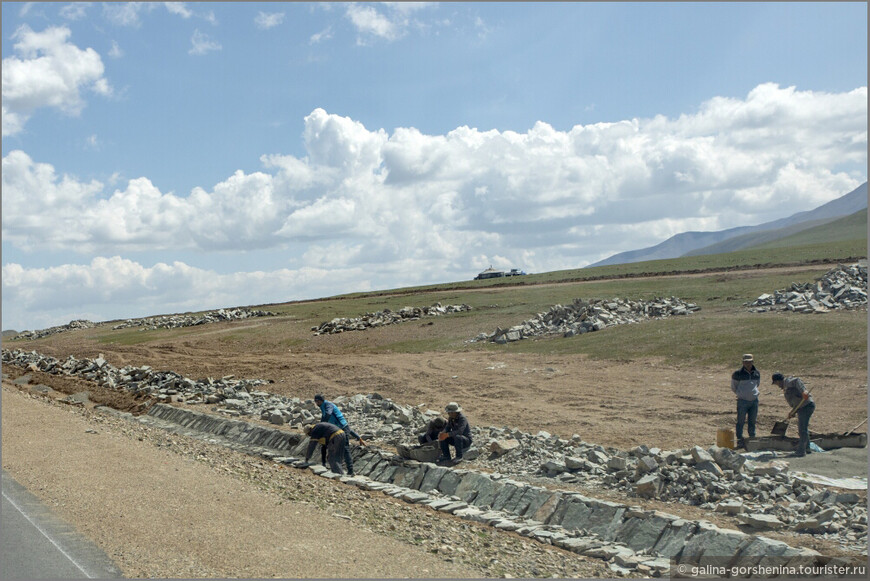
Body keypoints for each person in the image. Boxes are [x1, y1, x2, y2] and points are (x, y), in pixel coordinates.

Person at [313, 394, 366, 475]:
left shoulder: (328, 405)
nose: (316, 403)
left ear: (321, 400)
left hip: (342, 428)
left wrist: (323, 425)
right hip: (336, 430)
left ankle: (351, 471)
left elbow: (328, 414)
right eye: (316, 401)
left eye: (317, 401)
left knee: (345, 448)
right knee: (325, 445)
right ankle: (325, 465)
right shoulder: (323, 407)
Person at [772, 373, 815, 457]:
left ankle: (801, 451)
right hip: (801, 407)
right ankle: (807, 448)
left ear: (778, 381)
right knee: (803, 428)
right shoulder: (786, 388)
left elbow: (797, 380)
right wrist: (792, 412)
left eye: (776, 383)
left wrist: (804, 391)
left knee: (802, 429)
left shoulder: (788, 382)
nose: (777, 385)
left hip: (806, 406)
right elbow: (797, 402)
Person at [731, 354, 760, 448]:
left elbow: (757, 384)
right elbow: (734, 387)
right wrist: (740, 394)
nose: (748, 364)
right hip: (742, 401)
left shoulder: (757, 373)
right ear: (743, 362)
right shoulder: (737, 373)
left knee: (752, 421)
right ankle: (740, 441)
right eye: (746, 362)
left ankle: (752, 440)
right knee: (740, 421)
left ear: (752, 362)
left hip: (754, 401)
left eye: (750, 361)